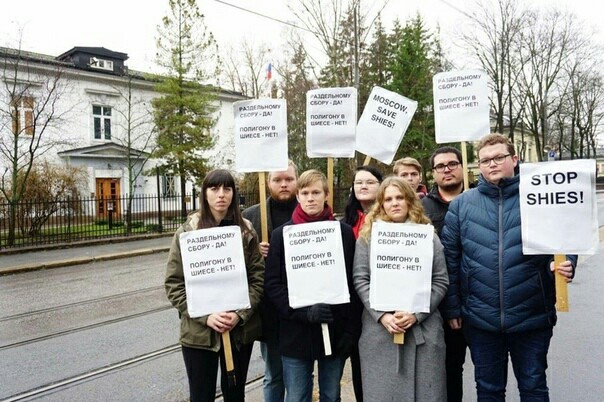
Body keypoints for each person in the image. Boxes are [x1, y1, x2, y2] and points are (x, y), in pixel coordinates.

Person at [441, 133, 576, 401]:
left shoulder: (541, 195)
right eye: (485, 160)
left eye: (499, 157)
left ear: (514, 159)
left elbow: (564, 240)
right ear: (478, 165)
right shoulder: (461, 206)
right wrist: (453, 307)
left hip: (532, 314)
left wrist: (566, 263)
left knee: (534, 387)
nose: (492, 164)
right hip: (480, 319)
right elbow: (451, 259)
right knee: (489, 390)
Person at [165, 169, 264, 402]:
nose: (221, 194)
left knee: (234, 395)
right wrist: (206, 316)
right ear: (205, 194)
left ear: (233, 193)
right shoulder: (187, 233)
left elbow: (258, 279)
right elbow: (174, 284)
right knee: (201, 396)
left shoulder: (246, 231)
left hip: (238, 334)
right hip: (199, 335)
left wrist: (240, 315)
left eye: (227, 188)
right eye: (214, 188)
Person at [264, 169, 361, 402]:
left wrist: (350, 330)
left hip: (334, 331)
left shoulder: (344, 233)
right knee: (297, 396)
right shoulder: (282, 235)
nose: (310, 198)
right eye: (305, 192)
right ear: (298, 196)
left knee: (331, 394)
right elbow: (273, 285)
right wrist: (301, 312)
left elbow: (353, 280)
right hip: (296, 333)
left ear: (326, 195)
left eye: (316, 192)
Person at [353, 176, 448, 401]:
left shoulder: (428, 236)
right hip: (380, 334)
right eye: (388, 199)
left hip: (423, 333)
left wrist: (417, 314)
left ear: (409, 201)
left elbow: (441, 280)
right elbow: (361, 279)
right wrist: (382, 316)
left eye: (400, 197)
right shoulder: (368, 237)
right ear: (381, 204)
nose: (394, 203)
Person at [242, 161, 298, 402]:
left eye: (289, 179)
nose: (284, 184)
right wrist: (255, 252)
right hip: (269, 309)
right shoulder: (250, 216)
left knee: (300, 375)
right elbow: (237, 264)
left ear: (297, 180)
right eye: (278, 180)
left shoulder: (309, 209)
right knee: (273, 373)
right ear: (268, 182)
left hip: (301, 307)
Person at [421, 146, 467, 402]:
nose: (447, 169)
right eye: (440, 166)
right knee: (450, 369)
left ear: (462, 166)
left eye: (452, 163)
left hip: (478, 299)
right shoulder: (420, 210)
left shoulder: (477, 200)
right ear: (434, 173)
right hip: (440, 304)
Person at [342, 165, 383, 402]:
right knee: (359, 364)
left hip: (381, 303)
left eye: (369, 182)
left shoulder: (391, 219)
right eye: (358, 182)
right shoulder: (345, 223)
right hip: (353, 306)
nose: (363, 186)